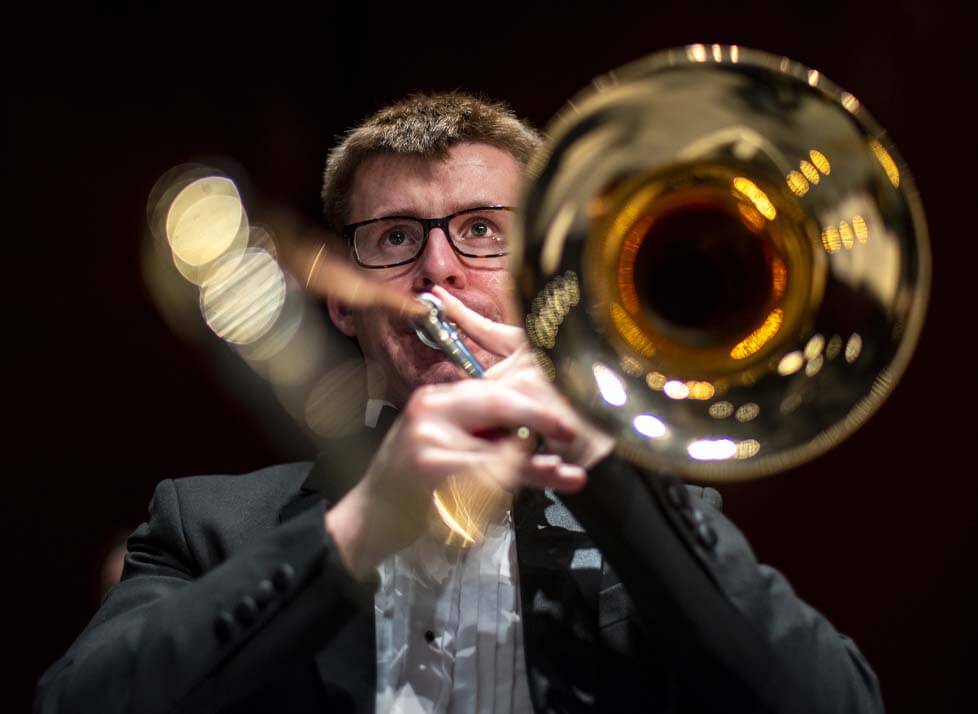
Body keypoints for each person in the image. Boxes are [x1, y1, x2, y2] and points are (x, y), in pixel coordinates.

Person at [35, 93, 884, 714]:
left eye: (482, 230)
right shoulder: (207, 523)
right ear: (342, 300)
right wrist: (362, 528)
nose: (438, 269)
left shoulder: (657, 515)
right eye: (396, 237)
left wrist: (613, 473)